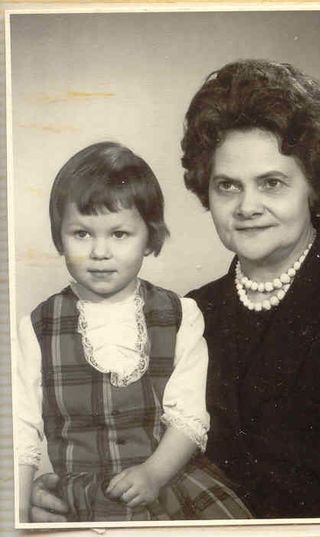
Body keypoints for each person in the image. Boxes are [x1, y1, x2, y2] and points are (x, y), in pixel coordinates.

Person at [29, 59, 320, 520]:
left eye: (272, 183)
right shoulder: (190, 312)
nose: (247, 206)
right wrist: (62, 495)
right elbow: (136, 449)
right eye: (227, 186)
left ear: (314, 188)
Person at [16, 141, 252, 522]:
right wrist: (16, 511)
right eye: (82, 233)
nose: (100, 251)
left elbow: (189, 417)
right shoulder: (37, 327)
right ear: (59, 236)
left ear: (149, 238)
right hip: (83, 499)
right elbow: (20, 431)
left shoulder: (181, 316)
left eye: (120, 234)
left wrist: (153, 474)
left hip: (168, 482)